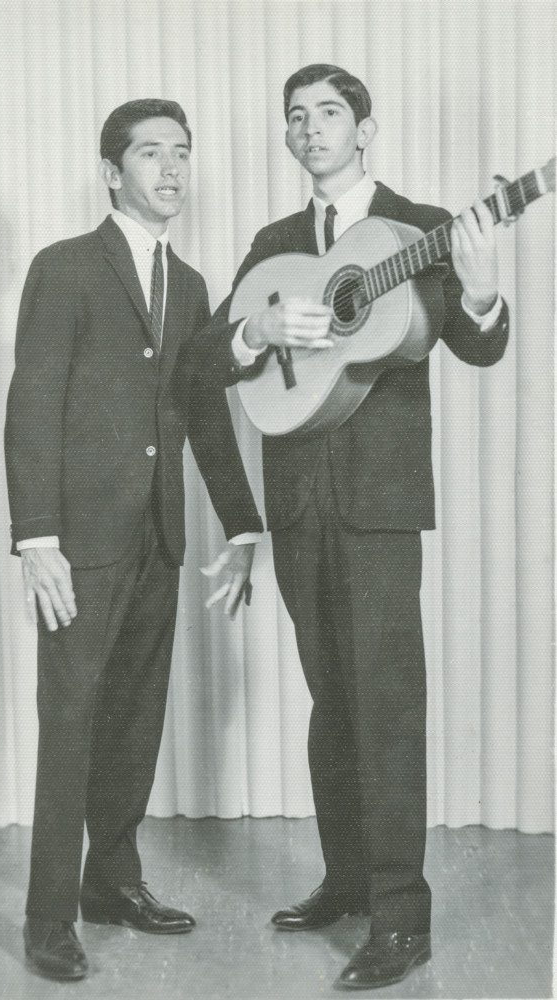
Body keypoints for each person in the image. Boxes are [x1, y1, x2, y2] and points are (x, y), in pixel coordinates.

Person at [205, 64, 509, 990]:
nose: (309, 129)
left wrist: (485, 285)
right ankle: (345, 880)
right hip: (298, 500)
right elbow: (213, 355)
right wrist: (260, 335)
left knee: (384, 705)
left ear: (365, 129)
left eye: (328, 113)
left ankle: (401, 918)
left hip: (380, 505)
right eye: (295, 117)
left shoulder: (421, 228)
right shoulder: (274, 242)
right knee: (330, 698)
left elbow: (480, 343)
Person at [4, 98, 262, 982]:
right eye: (151, 154)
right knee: (69, 727)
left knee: (132, 725)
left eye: (182, 154)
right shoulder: (66, 268)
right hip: (78, 546)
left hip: (158, 538)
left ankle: (112, 884)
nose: (171, 170)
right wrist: (36, 538)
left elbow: (200, 412)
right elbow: (32, 405)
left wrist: (244, 520)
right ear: (111, 171)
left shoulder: (189, 285)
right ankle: (48, 919)